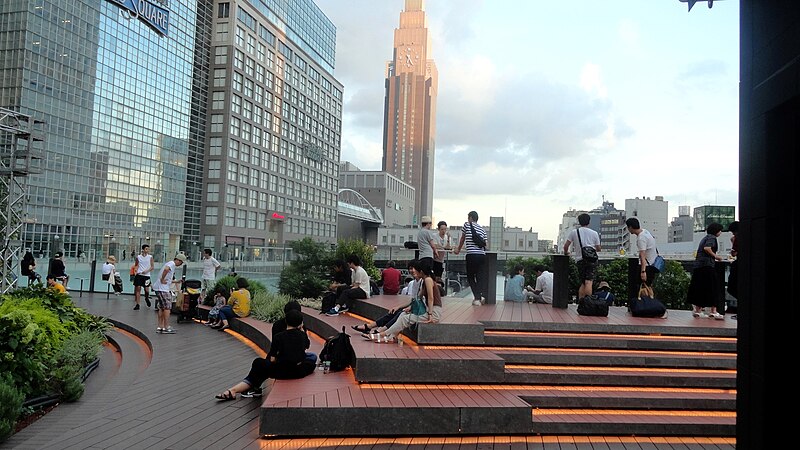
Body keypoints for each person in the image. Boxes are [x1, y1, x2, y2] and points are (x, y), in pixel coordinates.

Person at [215, 310, 316, 401]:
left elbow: (272, 359)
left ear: (286, 321)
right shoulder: (302, 336)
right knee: (312, 357)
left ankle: (234, 390)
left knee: (259, 364)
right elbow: (306, 346)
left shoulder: (278, 337)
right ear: (300, 324)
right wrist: (302, 332)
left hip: (281, 372)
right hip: (298, 371)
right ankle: (236, 390)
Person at [370, 263, 442, 343]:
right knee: (403, 314)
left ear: (421, 271)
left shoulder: (428, 280)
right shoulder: (424, 281)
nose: (415, 272)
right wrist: (409, 307)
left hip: (434, 313)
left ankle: (383, 334)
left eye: (416, 270)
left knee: (405, 319)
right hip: (430, 310)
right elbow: (417, 299)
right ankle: (391, 337)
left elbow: (431, 298)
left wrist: (430, 315)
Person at [687, 223, 726, 320]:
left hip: (699, 266)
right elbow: (707, 248)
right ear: (716, 231)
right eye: (720, 230)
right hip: (707, 266)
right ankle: (713, 311)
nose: (720, 232)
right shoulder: (712, 238)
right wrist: (716, 256)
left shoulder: (704, 238)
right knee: (713, 287)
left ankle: (698, 310)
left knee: (700, 288)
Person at [453, 211, 488, 306]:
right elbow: (486, 245)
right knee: (479, 277)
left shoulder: (467, 225)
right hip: (482, 255)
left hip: (472, 255)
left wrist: (458, 249)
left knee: (470, 276)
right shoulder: (482, 230)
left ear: (470, 218)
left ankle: (477, 298)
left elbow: (462, 238)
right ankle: (480, 296)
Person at [564, 213, 601, 299]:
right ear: (589, 222)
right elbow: (598, 248)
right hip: (592, 260)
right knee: (589, 282)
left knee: (583, 283)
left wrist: (566, 253)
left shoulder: (574, 232)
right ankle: (588, 303)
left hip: (580, 259)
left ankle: (581, 303)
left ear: (579, 222)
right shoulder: (594, 233)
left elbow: (566, 246)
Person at [152, 253, 187, 334]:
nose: (181, 264)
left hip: (159, 288)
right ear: (178, 260)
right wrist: (162, 279)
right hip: (163, 289)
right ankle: (166, 327)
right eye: (181, 262)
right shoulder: (171, 264)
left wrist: (176, 281)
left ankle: (160, 326)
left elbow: (167, 279)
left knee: (162, 307)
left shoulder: (170, 264)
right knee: (167, 308)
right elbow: (166, 270)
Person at [625, 218, 659, 287]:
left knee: (642, 289)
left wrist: (643, 272)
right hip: (652, 263)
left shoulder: (641, 238)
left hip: (646, 267)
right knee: (648, 288)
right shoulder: (645, 231)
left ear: (630, 227)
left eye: (628, 227)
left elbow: (643, 257)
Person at [133, 244, 154, 310]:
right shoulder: (138, 257)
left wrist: (147, 271)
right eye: (146, 249)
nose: (147, 250)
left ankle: (146, 298)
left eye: (148, 249)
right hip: (139, 275)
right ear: (143, 249)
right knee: (138, 289)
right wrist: (136, 270)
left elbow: (152, 267)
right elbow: (136, 265)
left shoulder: (150, 257)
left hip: (147, 275)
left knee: (146, 290)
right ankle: (138, 304)